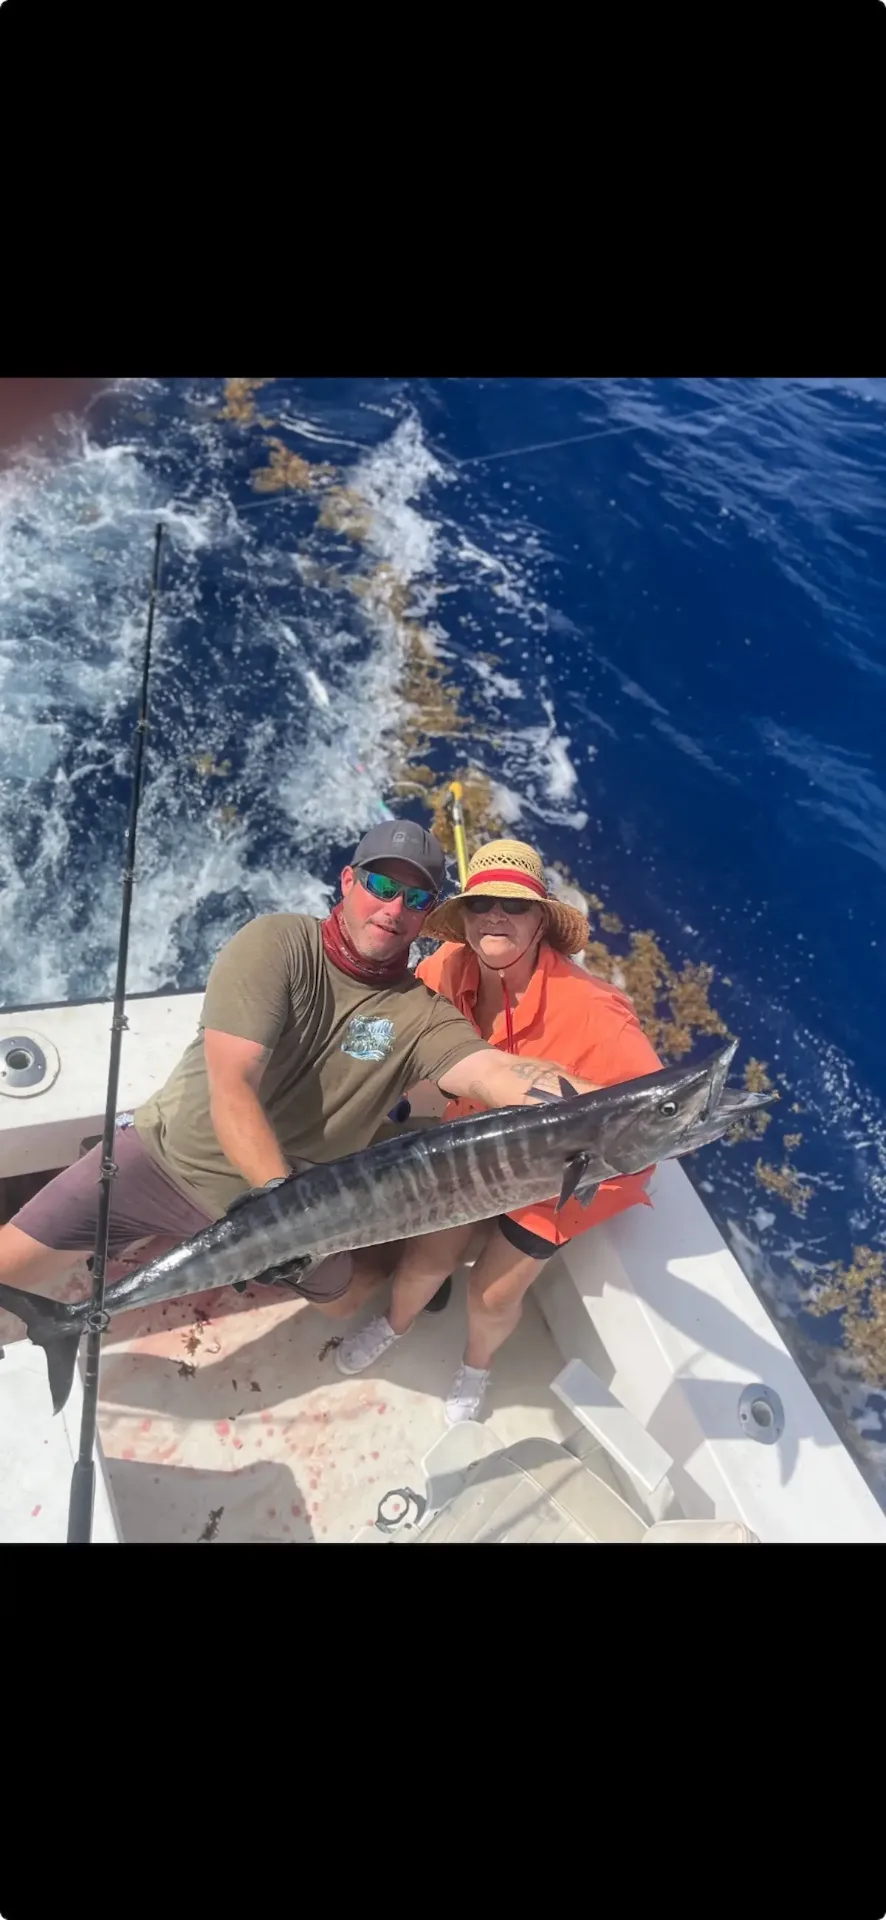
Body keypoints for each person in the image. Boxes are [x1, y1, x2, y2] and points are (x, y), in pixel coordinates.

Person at [0, 821, 610, 1348]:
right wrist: (280, 1210)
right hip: (164, 1164)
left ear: (427, 915)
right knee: (8, 1266)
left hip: (308, 1215)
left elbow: (497, 1072)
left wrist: (605, 1109)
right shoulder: (277, 944)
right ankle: (157, 1238)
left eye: (415, 898)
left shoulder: (422, 1013)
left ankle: (383, 1263)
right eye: (380, 886)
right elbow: (231, 1084)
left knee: (344, 1304)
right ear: (348, 882)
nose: (393, 909)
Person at [335, 838, 663, 1424]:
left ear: (542, 922)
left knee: (493, 1293)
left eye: (515, 906)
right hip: (470, 1151)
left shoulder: (599, 1013)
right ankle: (396, 1323)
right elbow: (399, 1038)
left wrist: (572, 1177)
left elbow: (647, 1125)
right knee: (423, 1261)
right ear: (463, 916)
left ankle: (476, 1365)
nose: (496, 916)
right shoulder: (445, 967)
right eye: (483, 902)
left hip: (557, 1177)